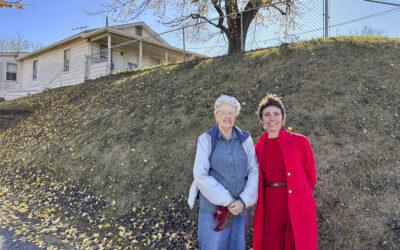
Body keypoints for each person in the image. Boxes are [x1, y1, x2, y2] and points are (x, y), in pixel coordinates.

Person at [188, 95, 258, 250]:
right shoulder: (206, 139)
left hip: (240, 209)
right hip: (214, 210)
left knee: (237, 246)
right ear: (216, 115)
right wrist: (228, 200)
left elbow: (254, 170)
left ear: (236, 115)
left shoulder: (245, 140)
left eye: (231, 113)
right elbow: (200, 175)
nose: (227, 117)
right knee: (213, 246)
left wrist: (244, 201)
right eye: (223, 113)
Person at [253, 94, 318, 250]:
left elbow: (311, 175)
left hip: (298, 201)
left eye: (276, 114)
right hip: (271, 204)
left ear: (283, 118)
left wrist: (303, 195)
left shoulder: (300, 141)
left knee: (297, 242)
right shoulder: (258, 148)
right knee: (272, 242)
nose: (272, 118)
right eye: (267, 114)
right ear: (261, 120)